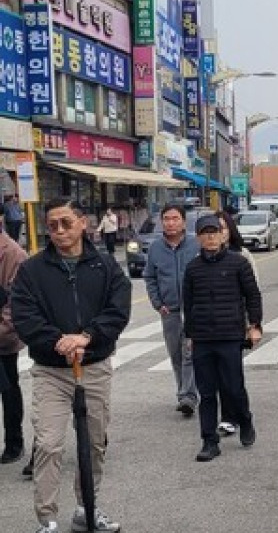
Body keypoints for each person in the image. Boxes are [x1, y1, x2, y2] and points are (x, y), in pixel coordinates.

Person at [12, 198, 131, 533]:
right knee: (48, 443)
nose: (60, 231)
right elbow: (23, 314)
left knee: (94, 442)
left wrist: (87, 337)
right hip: (51, 370)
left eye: (66, 222)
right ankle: (47, 518)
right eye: (52, 226)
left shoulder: (105, 265)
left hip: (94, 367)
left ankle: (87, 508)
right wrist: (60, 341)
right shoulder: (32, 270)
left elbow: (118, 308)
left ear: (83, 223)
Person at [183, 214, 263, 463]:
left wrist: (254, 326)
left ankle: (245, 420)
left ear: (222, 234)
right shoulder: (193, 268)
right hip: (203, 337)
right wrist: (189, 335)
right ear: (198, 238)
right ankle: (209, 441)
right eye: (205, 233)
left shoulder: (238, 263)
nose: (210, 237)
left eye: (214, 232)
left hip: (230, 335)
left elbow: (253, 295)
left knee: (233, 388)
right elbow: (189, 303)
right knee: (206, 393)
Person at [143, 205, 201, 417]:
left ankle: (188, 396)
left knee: (190, 352)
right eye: (166, 219)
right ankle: (184, 392)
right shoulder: (156, 248)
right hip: (170, 311)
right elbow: (149, 277)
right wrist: (158, 303)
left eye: (175, 218)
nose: (170, 223)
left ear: (183, 222)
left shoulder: (196, 244)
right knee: (176, 354)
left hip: (194, 309)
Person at [0, 227, 29, 465]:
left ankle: (14, 442)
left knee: (8, 389)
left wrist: (3, 330)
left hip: (2, 337)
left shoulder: (13, 254)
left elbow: (16, 303)